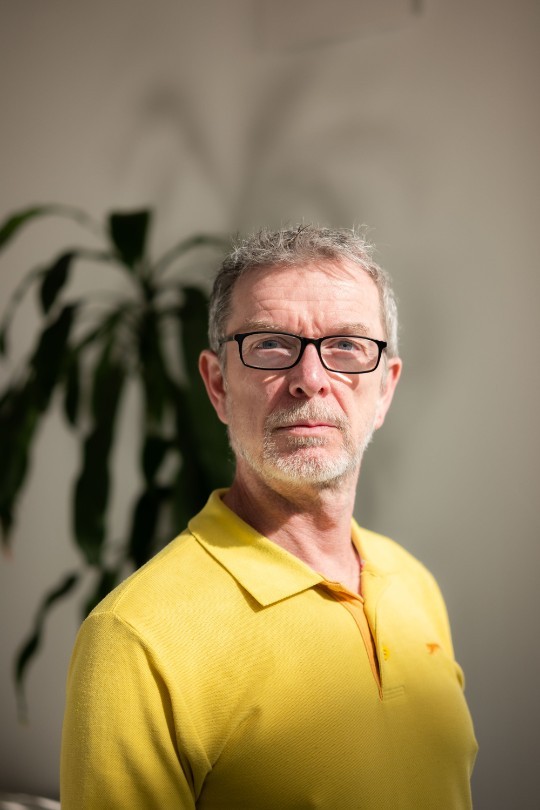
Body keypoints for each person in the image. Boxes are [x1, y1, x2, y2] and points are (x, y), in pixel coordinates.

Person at [61, 225, 477, 808]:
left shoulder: (414, 584)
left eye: (347, 346)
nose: (311, 380)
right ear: (218, 385)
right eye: (270, 345)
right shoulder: (134, 640)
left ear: (385, 389)